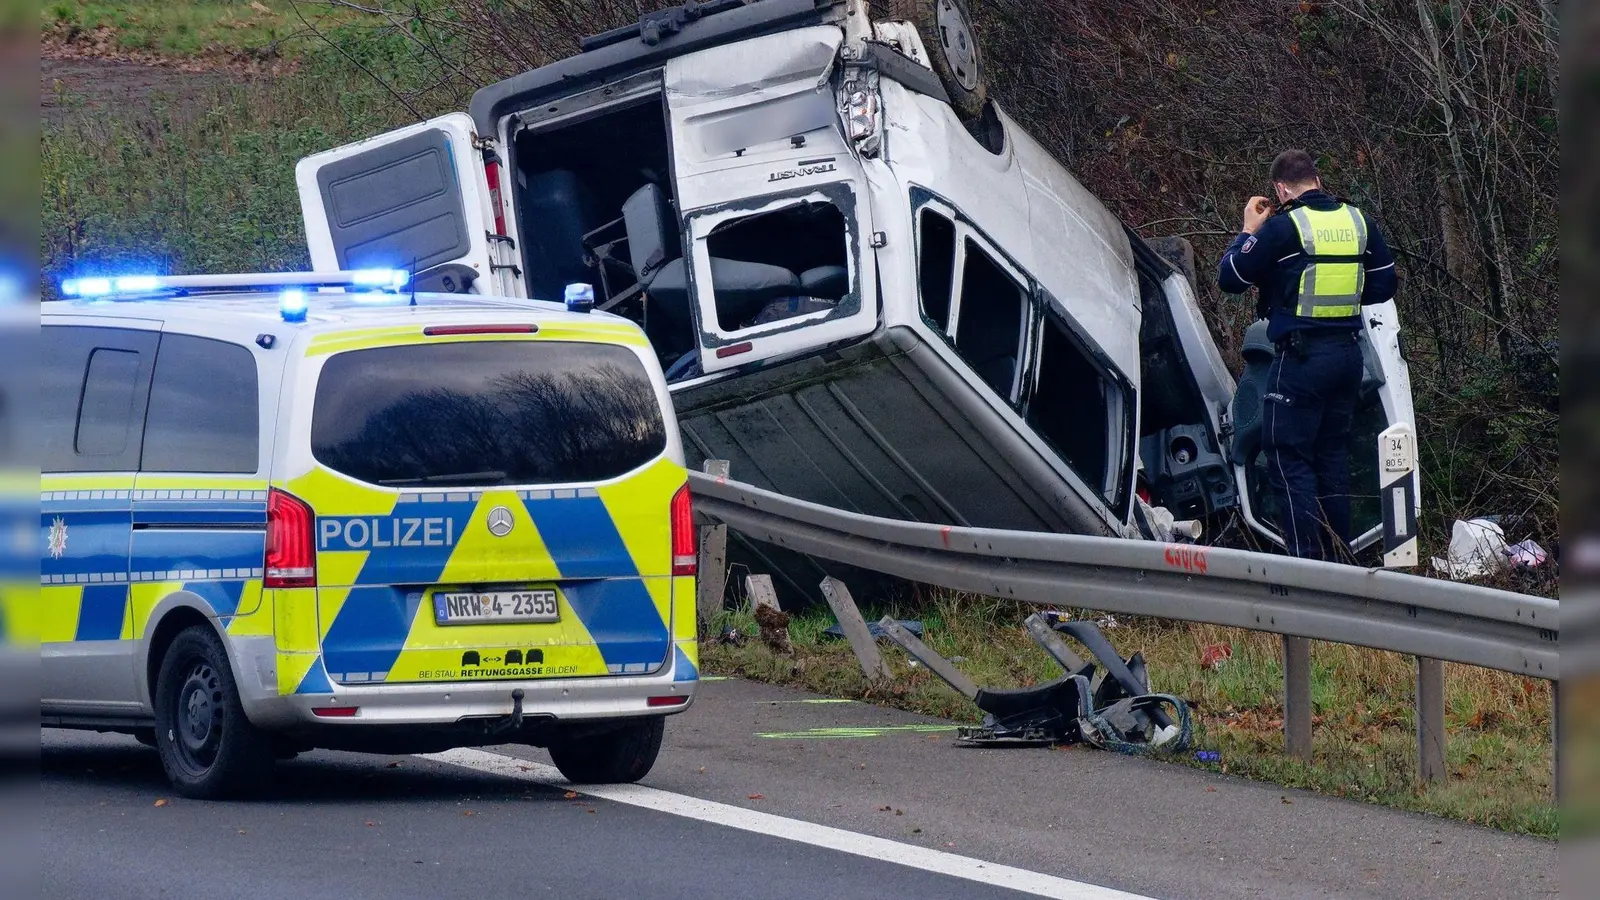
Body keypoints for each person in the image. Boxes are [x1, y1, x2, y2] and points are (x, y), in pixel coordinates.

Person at [1217, 149, 1398, 561]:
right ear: (1316, 179)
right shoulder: (1358, 221)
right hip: (1348, 361)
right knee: (1332, 456)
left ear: (1280, 189)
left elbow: (1230, 278)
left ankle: (1308, 571)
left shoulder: (1282, 229)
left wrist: (1248, 231)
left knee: (1287, 456)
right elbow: (1384, 285)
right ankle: (1340, 564)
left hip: (1301, 361)